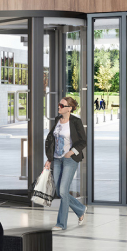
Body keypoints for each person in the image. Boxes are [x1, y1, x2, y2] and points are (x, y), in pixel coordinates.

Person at [45, 96, 88, 229]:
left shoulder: (76, 121)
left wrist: (72, 151)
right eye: (59, 105)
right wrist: (49, 159)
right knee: (60, 191)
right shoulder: (58, 120)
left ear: (69, 108)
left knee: (63, 190)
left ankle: (61, 223)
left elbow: (83, 141)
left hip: (70, 159)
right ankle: (80, 209)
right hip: (57, 159)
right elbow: (52, 140)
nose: (59, 107)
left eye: (62, 105)